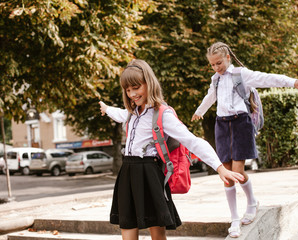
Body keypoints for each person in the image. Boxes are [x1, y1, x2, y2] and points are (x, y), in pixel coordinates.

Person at [99, 59, 245, 240]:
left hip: (149, 173)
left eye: (136, 87)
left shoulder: (162, 114)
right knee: (127, 225)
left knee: (157, 233)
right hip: (127, 172)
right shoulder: (132, 113)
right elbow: (119, 114)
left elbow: (192, 141)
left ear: (149, 83)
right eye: (128, 90)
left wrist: (219, 167)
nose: (132, 94)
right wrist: (106, 108)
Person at [191, 42, 298, 238]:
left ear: (228, 57)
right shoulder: (216, 79)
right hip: (222, 125)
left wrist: (292, 82)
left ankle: (252, 202)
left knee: (237, 172)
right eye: (212, 65)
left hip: (241, 124)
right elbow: (210, 96)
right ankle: (235, 219)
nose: (216, 68)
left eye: (219, 63)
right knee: (226, 174)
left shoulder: (241, 74)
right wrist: (199, 111)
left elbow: (266, 78)